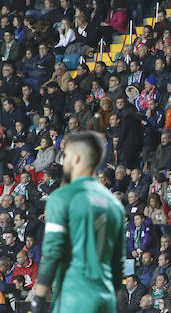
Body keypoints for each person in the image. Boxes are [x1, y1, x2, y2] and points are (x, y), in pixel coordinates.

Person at [32, 131, 126, 313]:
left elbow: (52, 251)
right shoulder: (114, 204)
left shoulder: (62, 198)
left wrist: (39, 297)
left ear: (76, 158)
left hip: (74, 295)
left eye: (66, 156)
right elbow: (117, 262)